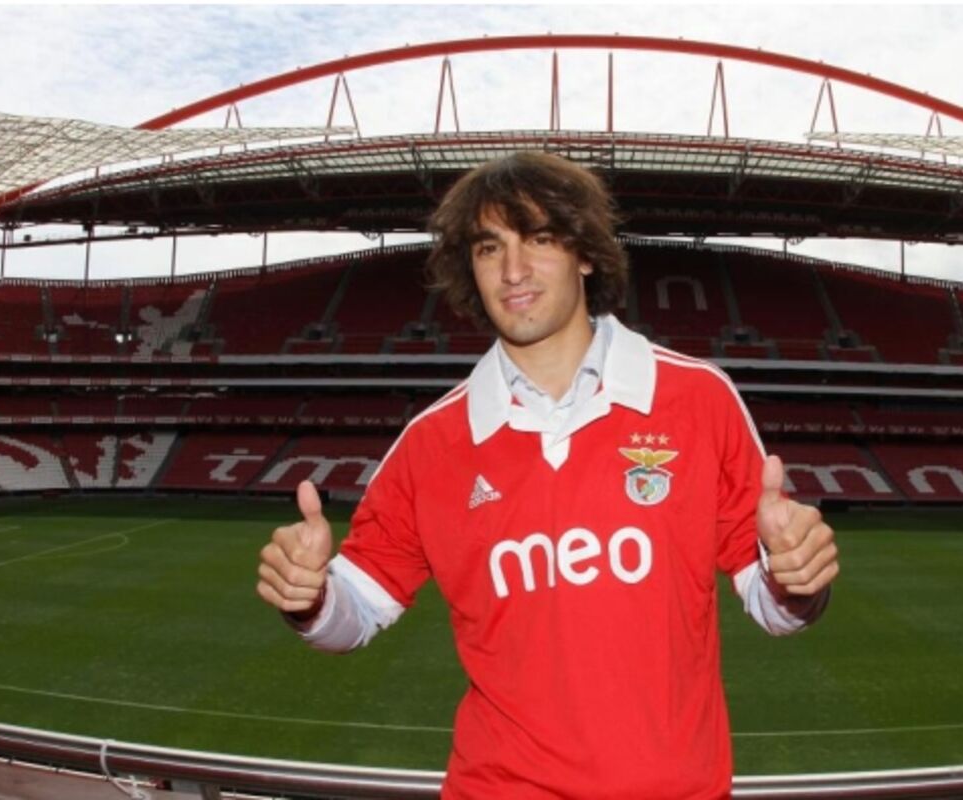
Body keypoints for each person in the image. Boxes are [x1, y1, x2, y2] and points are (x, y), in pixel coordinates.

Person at [256, 151, 839, 799]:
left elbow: (776, 608)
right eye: (489, 248)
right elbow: (357, 611)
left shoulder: (698, 399)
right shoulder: (432, 441)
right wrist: (310, 598)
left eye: (538, 238)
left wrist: (797, 578)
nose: (512, 270)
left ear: (585, 253)